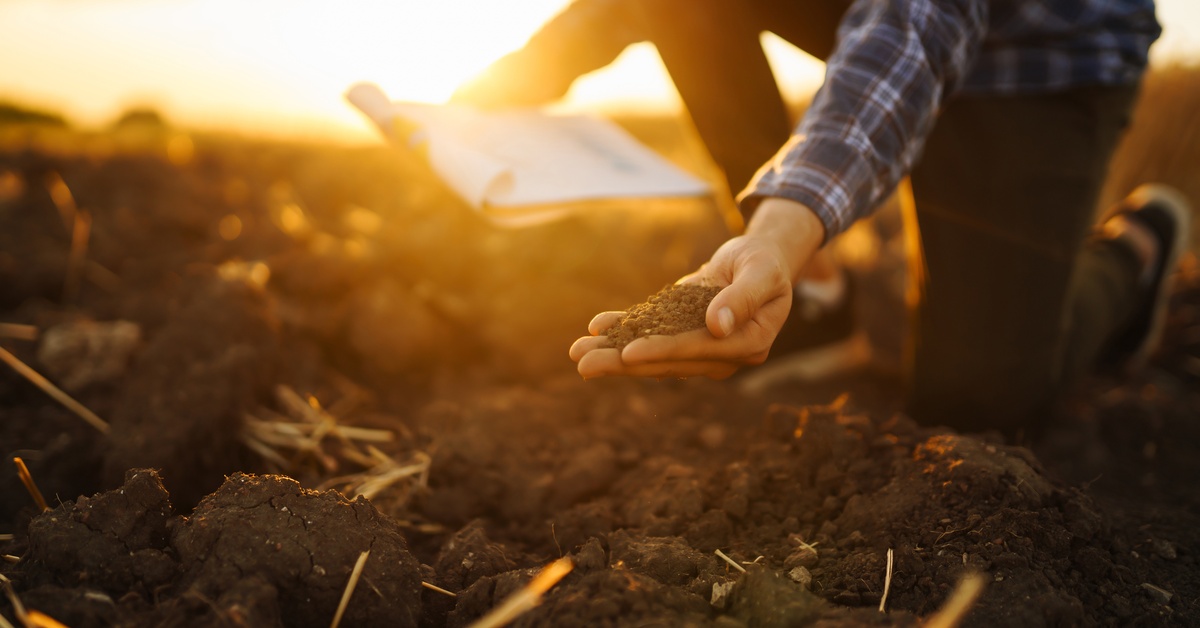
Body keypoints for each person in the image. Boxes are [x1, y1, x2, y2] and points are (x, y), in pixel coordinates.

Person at [453, 0, 1191, 434]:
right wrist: (500, 86)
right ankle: (818, 291)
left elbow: (913, 25)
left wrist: (783, 225)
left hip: (1034, 59)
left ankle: (1133, 250)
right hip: (881, 23)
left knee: (979, 403)